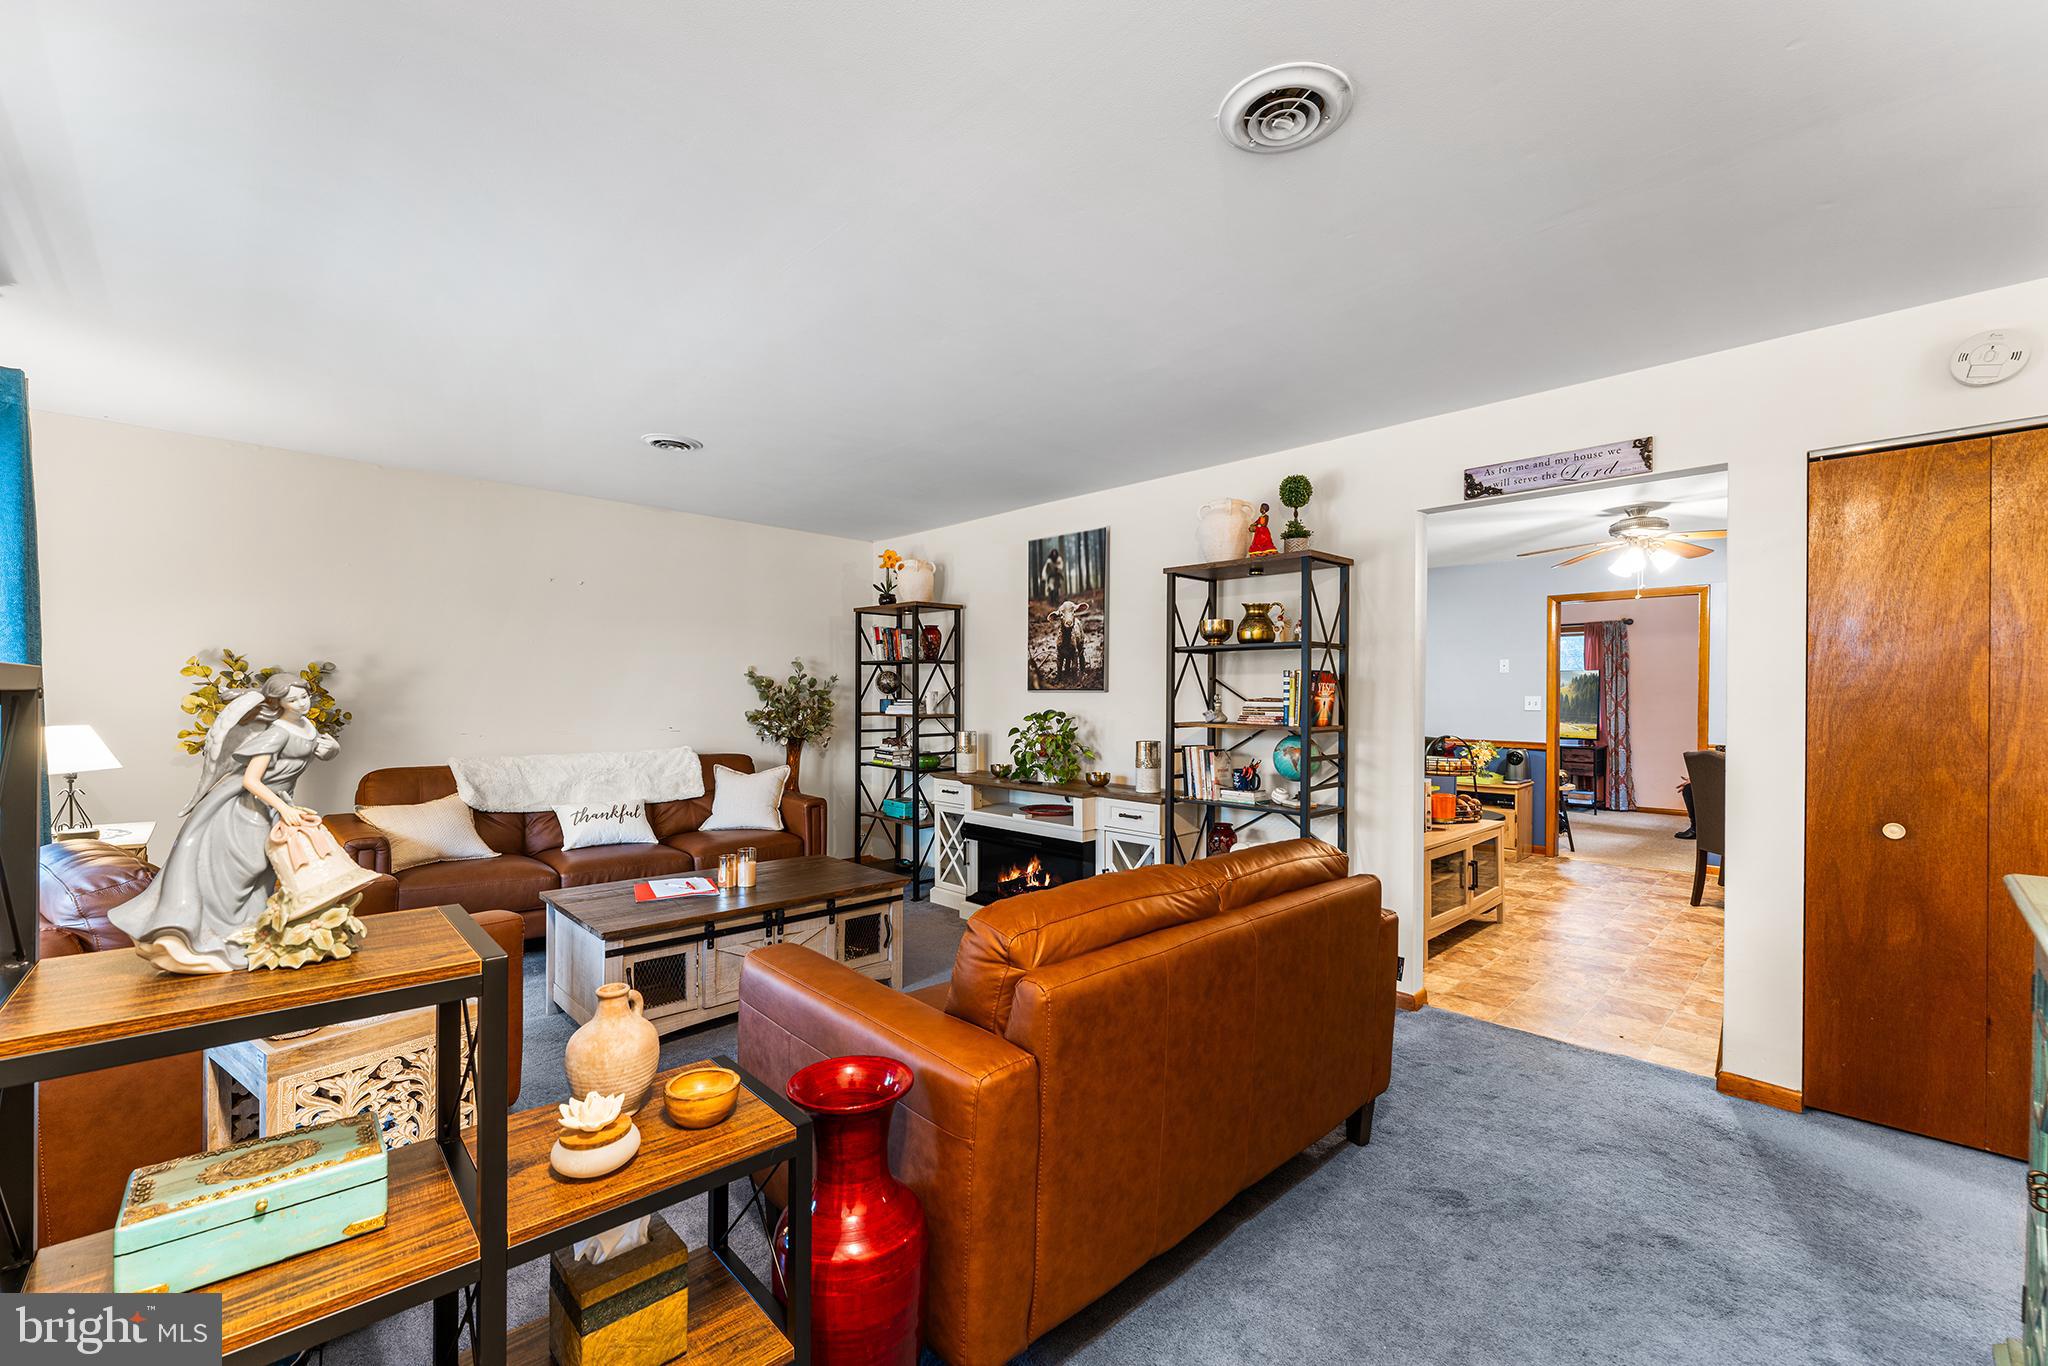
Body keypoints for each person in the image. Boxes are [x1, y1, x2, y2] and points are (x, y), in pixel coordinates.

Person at [109, 673, 343, 973]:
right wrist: (285, 809)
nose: (301, 703)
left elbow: (310, 752)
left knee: (267, 872)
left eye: (304, 696)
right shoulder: (277, 733)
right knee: (248, 869)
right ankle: (214, 936)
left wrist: (330, 750)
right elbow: (251, 780)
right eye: (293, 699)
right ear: (278, 702)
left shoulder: (306, 726)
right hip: (247, 807)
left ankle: (251, 932)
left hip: (277, 803)